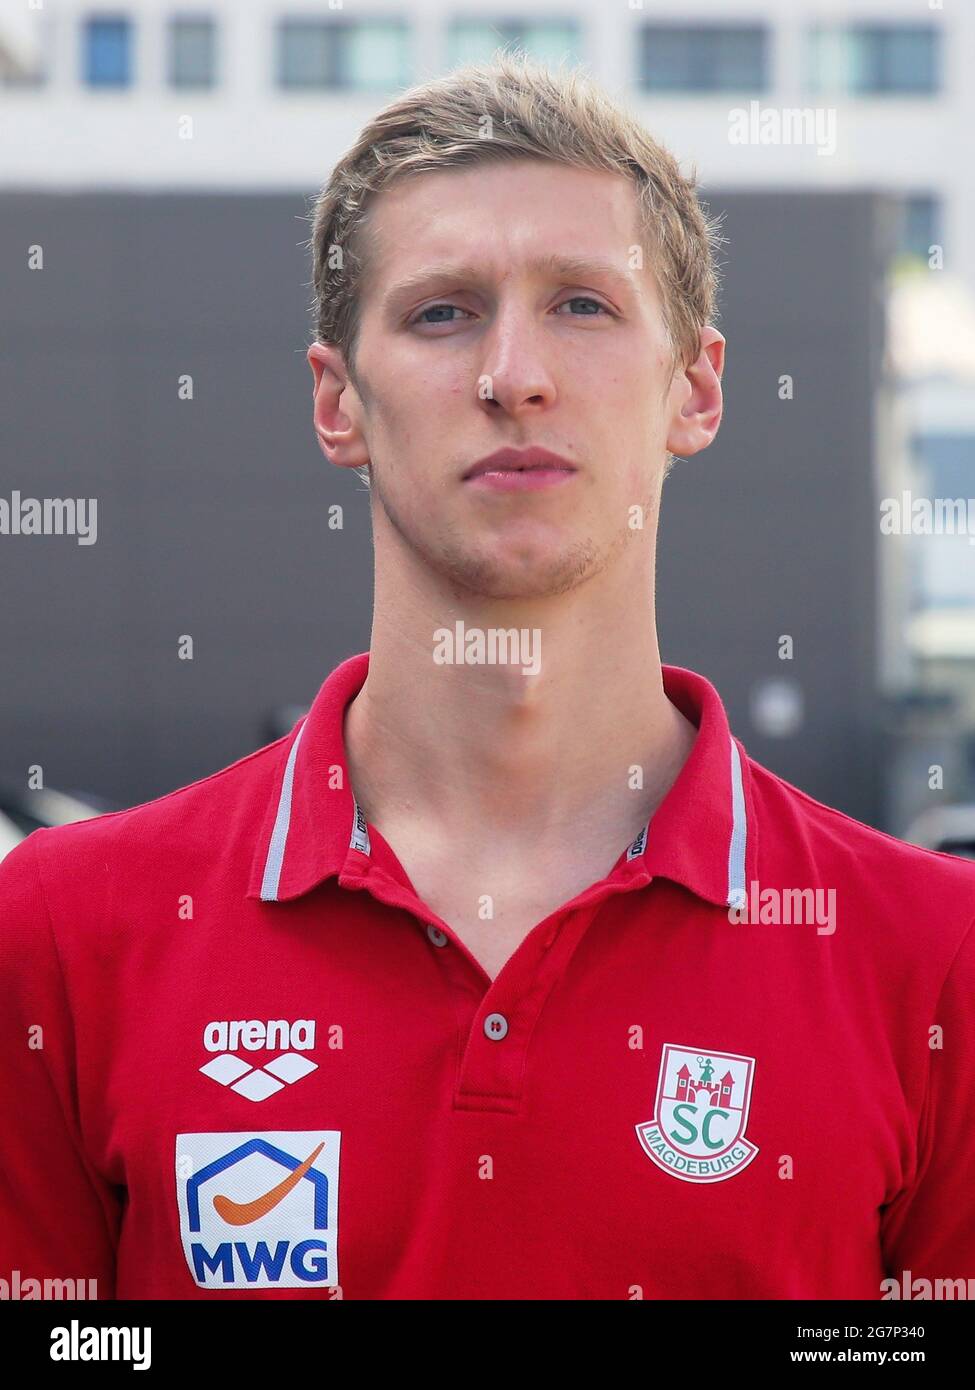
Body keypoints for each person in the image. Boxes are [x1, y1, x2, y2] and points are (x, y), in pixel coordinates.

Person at [2, 53, 973, 1302]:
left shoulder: (929, 956)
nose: (514, 374)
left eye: (583, 304)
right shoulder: (69, 937)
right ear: (337, 403)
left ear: (697, 387)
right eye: (442, 311)